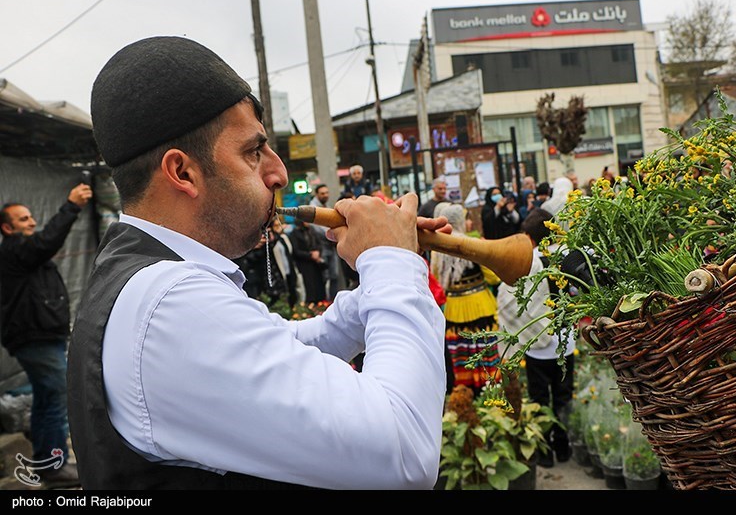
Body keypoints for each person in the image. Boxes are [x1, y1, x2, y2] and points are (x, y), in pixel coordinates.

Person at [66, 36, 449, 490]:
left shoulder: (145, 277)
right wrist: (391, 263)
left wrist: (378, 274)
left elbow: (287, 346)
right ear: (182, 172)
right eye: (253, 152)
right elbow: (403, 453)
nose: (279, 173)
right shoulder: (170, 302)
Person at [0, 183, 92, 489]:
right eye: (23, 219)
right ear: (7, 228)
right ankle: (55, 466)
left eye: (30, 217)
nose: (32, 222)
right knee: (55, 398)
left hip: (42, 337)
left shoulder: (24, 253)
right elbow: (46, 242)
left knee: (46, 398)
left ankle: (46, 460)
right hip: (34, 339)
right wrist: (71, 206)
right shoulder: (16, 250)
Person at [496, 207, 576, 468]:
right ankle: (564, 447)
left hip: (535, 346)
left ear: (528, 236)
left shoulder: (524, 261)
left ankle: (544, 452)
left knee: (540, 398)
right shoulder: (566, 257)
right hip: (564, 342)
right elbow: (577, 292)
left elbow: (508, 299)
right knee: (564, 396)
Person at [431, 203, 501, 397]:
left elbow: (436, 279)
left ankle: (465, 394)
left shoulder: (438, 247)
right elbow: (492, 277)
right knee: (484, 352)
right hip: (481, 306)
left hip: (453, 309)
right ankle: (488, 394)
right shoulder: (472, 244)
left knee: (461, 355)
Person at [308, 183, 340, 301]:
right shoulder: (313, 207)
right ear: (317, 194)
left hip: (331, 246)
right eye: (322, 193)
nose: (325, 195)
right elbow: (316, 228)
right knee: (324, 278)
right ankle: (325, 304)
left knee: (334, 276)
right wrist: (333, 234)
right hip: (320, 247)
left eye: (327, 193)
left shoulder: (326, 205)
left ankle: (333, 301)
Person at [289, 219, 327, 304]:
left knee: (319, 285)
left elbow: (319, 243)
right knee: (309, 286)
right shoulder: (294, 233)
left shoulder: (311, 230)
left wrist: (317, 253)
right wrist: (310, 255)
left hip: (316, 263)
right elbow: (296, 251)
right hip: (305, 264)